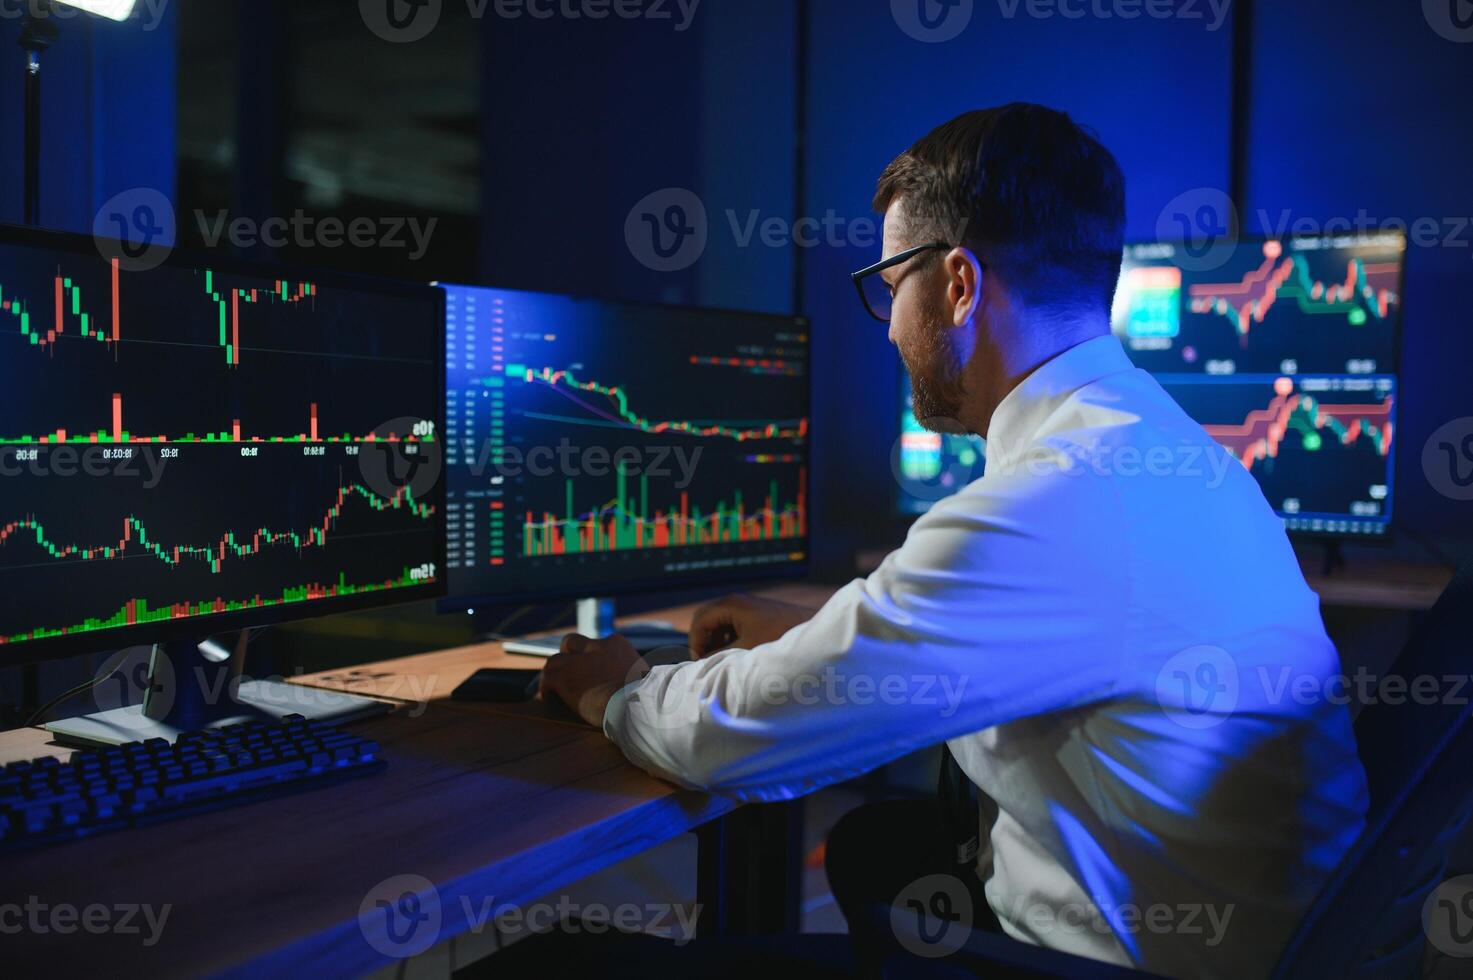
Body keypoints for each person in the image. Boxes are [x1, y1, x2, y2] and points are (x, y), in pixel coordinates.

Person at [540, 103, 1369, 978]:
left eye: (890, 286)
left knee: (555, 966)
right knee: (878, 848)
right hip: (1249, 940)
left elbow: (735, 738)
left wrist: (616, 690)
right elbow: (1038, 635)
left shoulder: (1053, 502)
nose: (891, 328)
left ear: (959, 285)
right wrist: (821, 633)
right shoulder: (1160, 449)